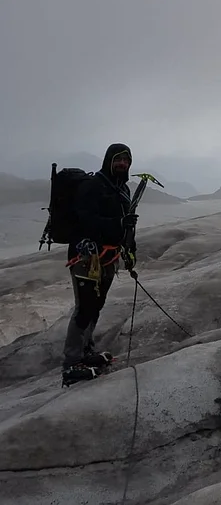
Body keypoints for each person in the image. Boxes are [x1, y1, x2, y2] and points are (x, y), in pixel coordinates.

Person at [62, 143, 139, 386]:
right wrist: (118, 223)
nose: (123, 164)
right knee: (84, 308)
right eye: (118, 159)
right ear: (109, 160)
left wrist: (130, 250)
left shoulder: (123, 189)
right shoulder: (93, 186)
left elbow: (127, 226)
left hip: (109, 257)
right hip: (86, 256)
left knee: (95, 306)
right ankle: (71, 364)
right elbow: (84, 220)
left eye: (126, 160)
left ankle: (86, 351)